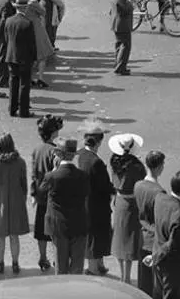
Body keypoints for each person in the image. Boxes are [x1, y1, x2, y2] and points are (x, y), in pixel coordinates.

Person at [40, 137, 90, 275]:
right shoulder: (83, 175)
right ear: (73, 155)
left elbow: (40, 194)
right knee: (77, 267)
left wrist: (54, 170)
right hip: (79, 223)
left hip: (58, 225)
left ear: (59, 154)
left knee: (60, 267)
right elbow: (87, 194)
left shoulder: (51, 176)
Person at [0, 133, 29, 275]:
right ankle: (15, 263)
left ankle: (0, 263)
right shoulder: (20, 162)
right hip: (16, 199)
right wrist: (23, 198)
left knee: (0, 235)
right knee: (14, 235)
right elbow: (24, 184)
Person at [77, 120, 114, 276]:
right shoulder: (96, 162)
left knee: (93, 235)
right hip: (96, 204)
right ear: (98, 142)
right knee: (96, 237)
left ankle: (98, 265)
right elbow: (105, 185)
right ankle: (93, 269)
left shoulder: (79, 155)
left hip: (83, 202)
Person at [109, 133, 146, 285]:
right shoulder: (137, 166)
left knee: (119, 238)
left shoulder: (114, 162)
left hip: (119, 201)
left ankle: (122, 274)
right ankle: (127, 277)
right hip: (132, 203)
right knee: (129, 240)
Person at [30, 114, 64, 271]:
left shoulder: (37, 149)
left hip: (40, 193)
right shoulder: (55, 151)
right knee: (55, 230)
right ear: (52, 133)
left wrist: (33, 193)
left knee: (41, 230)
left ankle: (42, 257)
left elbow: (33, 173)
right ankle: (57, 258)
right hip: (53, 195)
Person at [150, 169, 180, 299]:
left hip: (157, 254)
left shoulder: (159, 198)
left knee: (157, 293)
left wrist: (155, 256)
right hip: (171, 264)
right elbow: (173, 244)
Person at [134, 149, 166, 297]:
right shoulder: (159, 192)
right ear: (159, 167)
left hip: (141, 237)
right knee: (155, 285)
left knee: (143, 281)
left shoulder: (138, 185)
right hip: (154, 240)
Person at [4, 0, 37, 117]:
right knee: (24, 84)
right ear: (25, 8)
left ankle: (12, 109)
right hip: (24, 58)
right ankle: (23, 111)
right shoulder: (28, 23)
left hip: (11, 56)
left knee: (13, 83)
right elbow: (31, 43)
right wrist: (34, 58)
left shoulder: (8, 21)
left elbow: (6, 38)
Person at [24, 0, 55, 88]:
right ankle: (40, 79)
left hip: (26, 30)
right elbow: (43, 12)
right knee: (42, 56)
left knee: (29, 57)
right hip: (37, 29)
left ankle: (29, 78)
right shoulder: (33, 2)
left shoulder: (20, 2)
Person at [110, 0, 134, 76]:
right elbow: (127, 9)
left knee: (119, 45)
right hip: (122, 24)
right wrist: (130, 1)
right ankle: (121, 67)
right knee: (126, 46)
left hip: (116, 23)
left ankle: (117, 64)